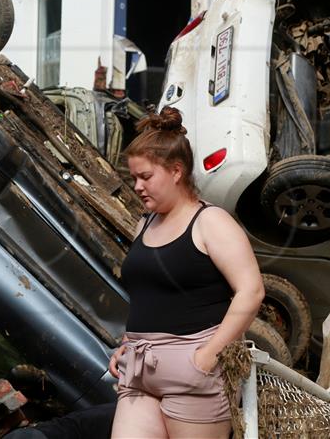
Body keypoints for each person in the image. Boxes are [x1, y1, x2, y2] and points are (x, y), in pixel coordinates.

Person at [108, 106, 265, 439]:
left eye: (145, 177)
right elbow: (149, 294)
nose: (137, 186)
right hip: (139, 369)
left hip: (193, 373)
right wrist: (127, 343)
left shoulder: (211, 222)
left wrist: (208, 356)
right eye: (134, 177)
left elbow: (251, 291)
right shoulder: (145, 223)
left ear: (176, 171)